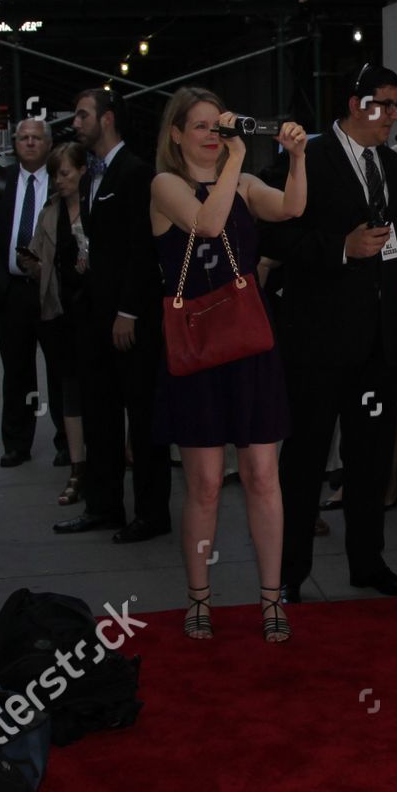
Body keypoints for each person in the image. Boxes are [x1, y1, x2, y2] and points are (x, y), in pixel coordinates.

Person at [149, 87, 307, 640]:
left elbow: (291, 207)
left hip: (250, 345)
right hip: (198, 349)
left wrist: (298, 157)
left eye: (219, 126)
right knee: (207, 483)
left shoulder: (242, 182)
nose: (214, 135)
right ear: (176, 134)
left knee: (264, 475)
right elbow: (209, 225)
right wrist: (237, 160)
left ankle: (271, 599)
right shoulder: (165, 185)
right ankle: (199, 599)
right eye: (200, 126)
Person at [274, 64, 397, 602]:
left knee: (371, 458)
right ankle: (289, 572)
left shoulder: (396, 169)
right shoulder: (306, 158)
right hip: (316, 339)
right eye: (386, 104)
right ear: (358, 104)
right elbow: (277, 237)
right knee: (306, 457)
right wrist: (341, 248)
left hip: (379, 340)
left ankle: (369, 563)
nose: (394, 116)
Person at [54, 87, 172, 544]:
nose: (75, 122)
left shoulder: (137, 172)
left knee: (143, 419)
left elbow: (143, 249)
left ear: (107, 119)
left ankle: (151, 512)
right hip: (95, 316)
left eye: (82, 115)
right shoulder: (90, 177)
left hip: (132, 320)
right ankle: (103, 506)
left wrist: (127, 310)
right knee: (101, 415)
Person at [0, 117, 63, 467]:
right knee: (17, 371)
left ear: (47, 143)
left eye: (35, 138)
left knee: (58, 368)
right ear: (14, 142)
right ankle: (16, 444)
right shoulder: (0, 180)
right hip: (11, 291)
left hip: (51, 289)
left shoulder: (61, 180)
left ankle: (65, 441)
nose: (28, 143)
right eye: (22, 137)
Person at [31, 141, 90, 504]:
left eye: (65, 172)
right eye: (55, 174)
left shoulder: (97, 206)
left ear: (83, 171)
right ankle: (77, 467)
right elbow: (39, 253)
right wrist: (33, 265)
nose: (59, 180)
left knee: (98, 393)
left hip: (95, 312)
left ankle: (104, 463)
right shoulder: (50, 212)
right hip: (61, 311)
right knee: (69, 392)